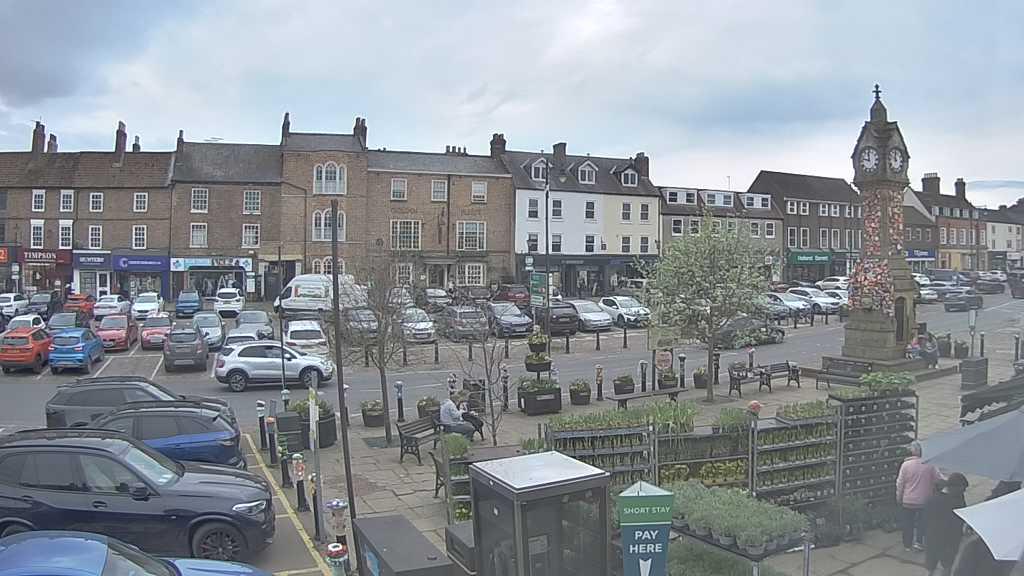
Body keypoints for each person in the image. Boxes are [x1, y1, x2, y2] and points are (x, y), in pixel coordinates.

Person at [896, 441, 942, 552]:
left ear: (912, 451)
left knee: (908, 523)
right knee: (922, 522)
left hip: (908, 500)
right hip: (924, 500)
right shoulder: (930, 465)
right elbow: (938, 479)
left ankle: (907, 544)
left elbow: (900, 483)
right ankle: (919, 542)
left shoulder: (905, 465)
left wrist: (899, 497)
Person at [925, 473, 969, 575]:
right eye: (963, 488)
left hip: (934, 537)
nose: (964, 491)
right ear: (954, 487)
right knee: (946, 565)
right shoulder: (955, 501)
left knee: (933, 566)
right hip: (948, 539)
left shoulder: (933, 499)